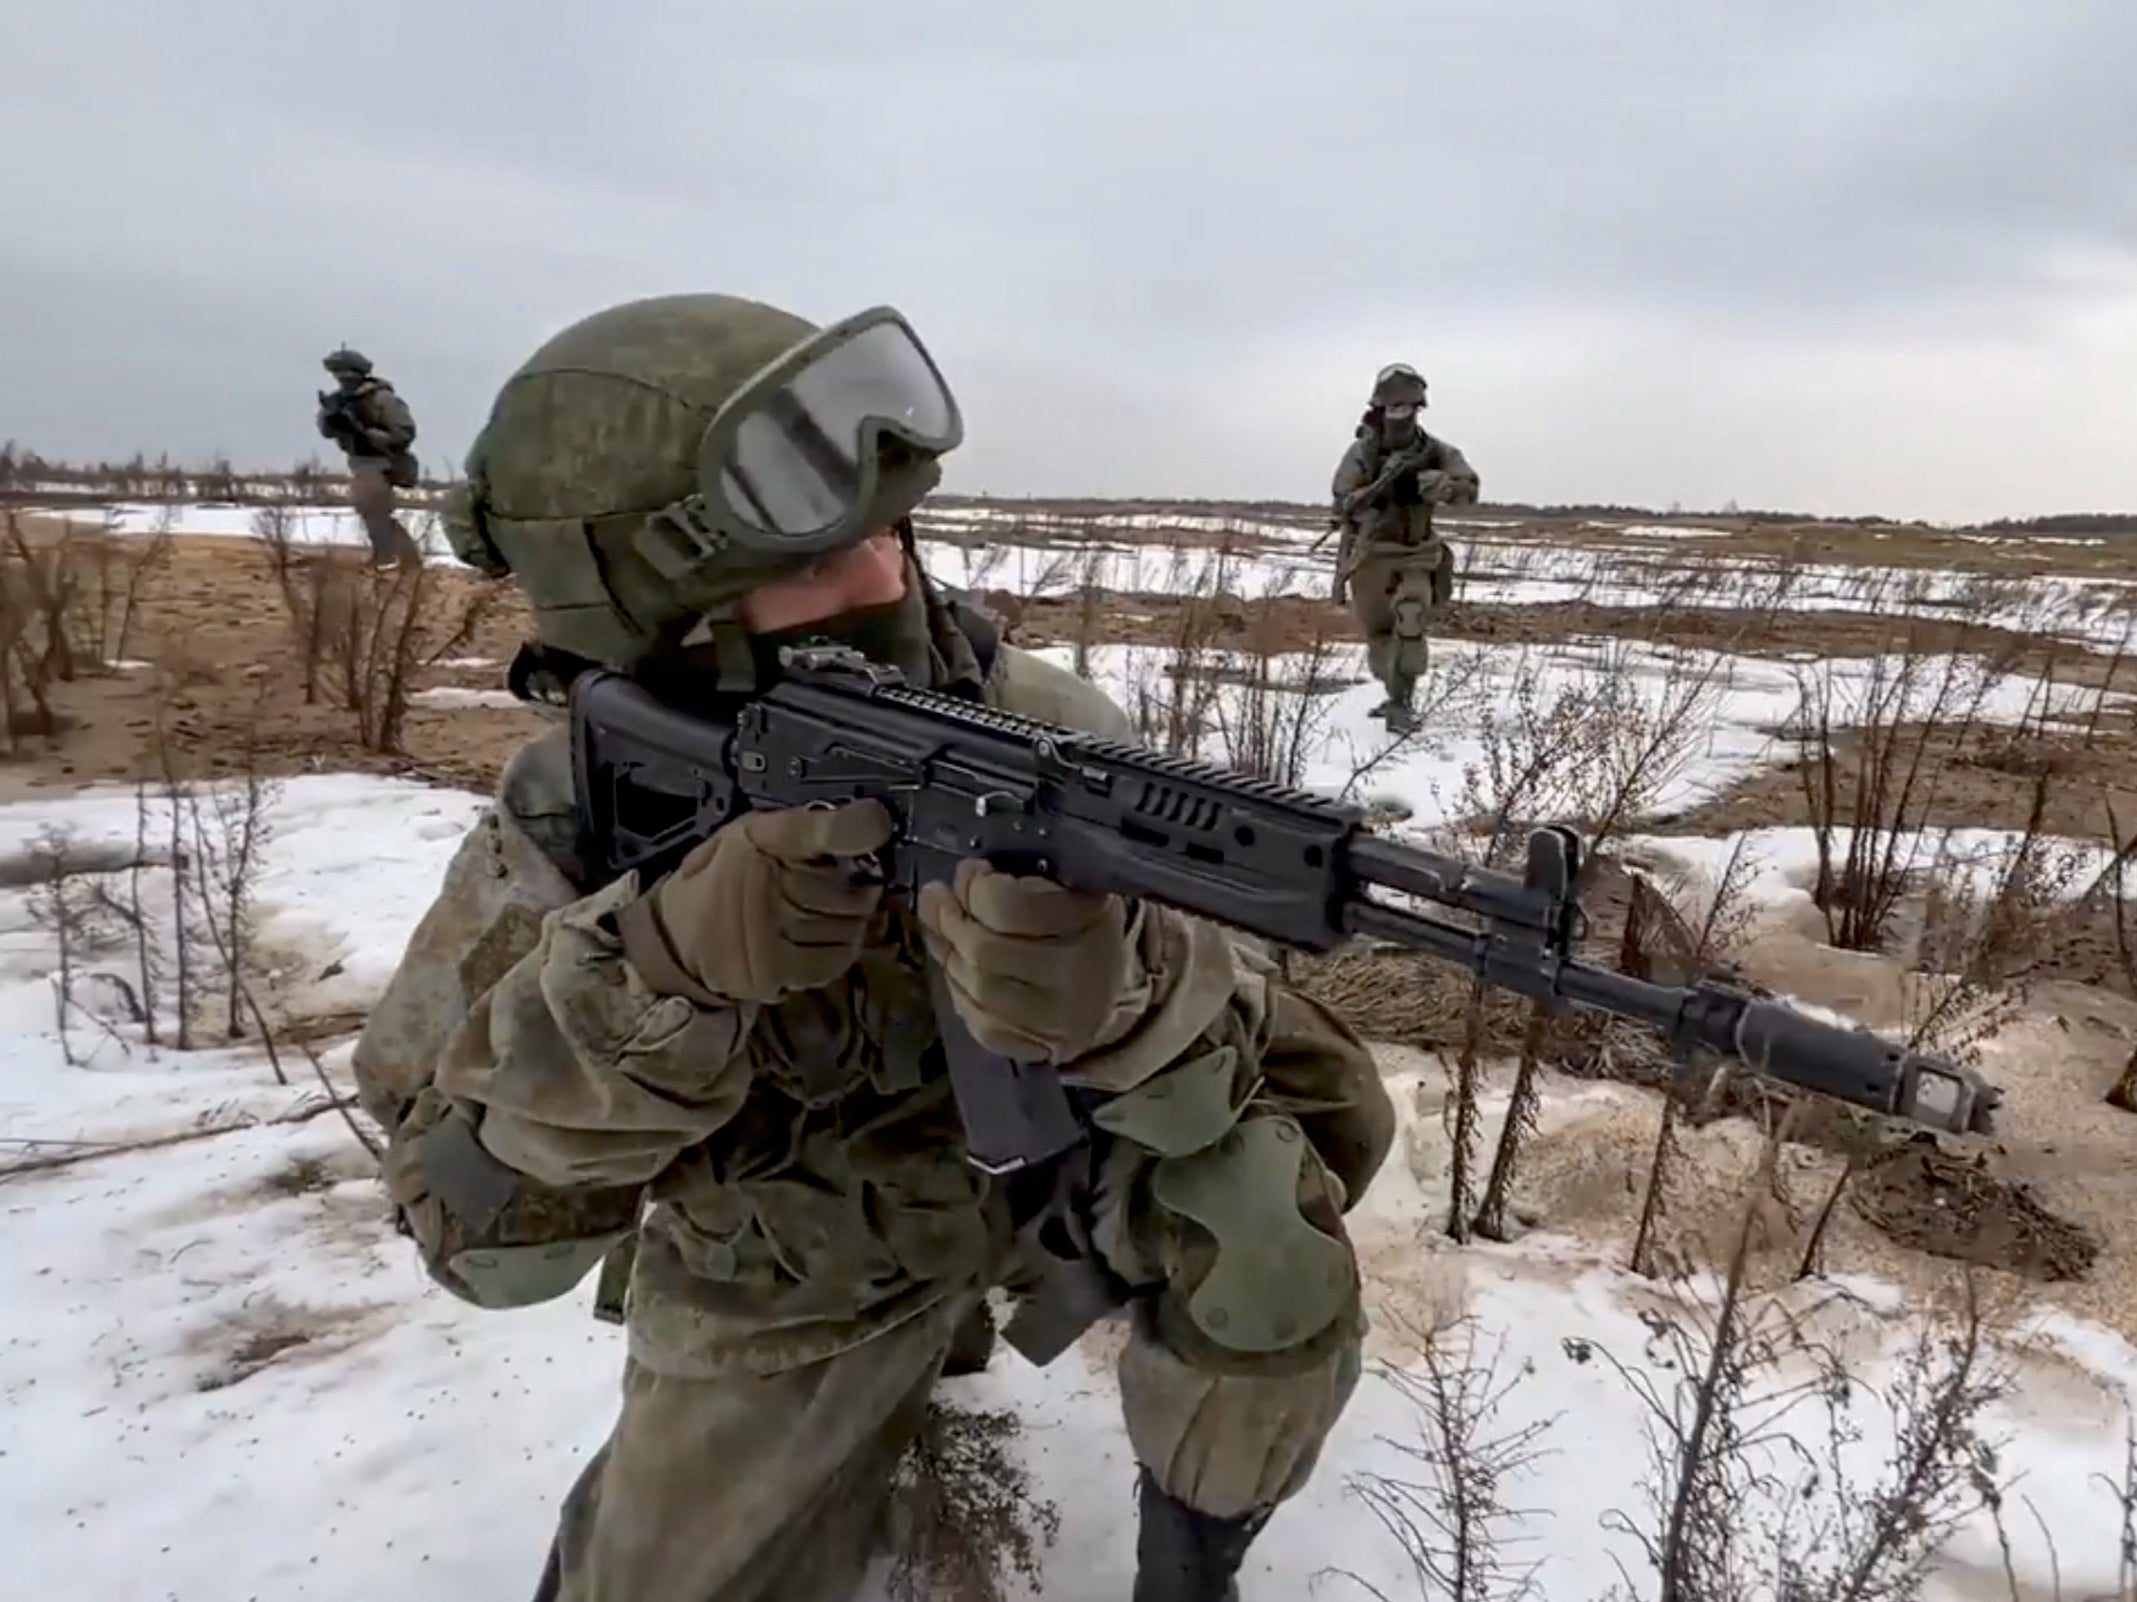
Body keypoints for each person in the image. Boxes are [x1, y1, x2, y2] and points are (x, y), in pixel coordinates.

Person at [349, 292, 1397, 1602]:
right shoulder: (577, 807)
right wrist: (656, 969)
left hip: (1043, 1179)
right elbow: (481, 1236)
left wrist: (1120, 990)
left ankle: (1193, 1563)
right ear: (640, 618)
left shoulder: (1035, 722)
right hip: (792, 1254)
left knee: (1264, 1224)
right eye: (808, 564)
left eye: (889, 532)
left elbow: (1272, 1045)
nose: (886, 582)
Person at [1327, 363, 1479, 735]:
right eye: (1393, 408)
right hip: (1371, 555)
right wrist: (1368, 500)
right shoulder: (1362, 453)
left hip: (1418, 552)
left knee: (1410, 620)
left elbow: (1469, 489)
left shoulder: (1437, 451)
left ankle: (1402, 703)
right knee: (1380, 634)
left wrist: (1443, 487)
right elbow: (1340, 500)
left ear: (1418, 409)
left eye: (1407, 407)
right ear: (1380, 410)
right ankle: (1392, 688)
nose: (1400, 415)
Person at [316, 346, 423, 571]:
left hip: (383, 460)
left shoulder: (382, 399)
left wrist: (364, 430)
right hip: (358, 461)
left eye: (345, 374)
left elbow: (404, 434)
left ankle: (390, 558)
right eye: (337, 375)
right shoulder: (339, 401)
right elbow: (327, 432)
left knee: (373, 507)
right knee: (371, 509)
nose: (341, 380)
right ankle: (403, 559)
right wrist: (331, 419)